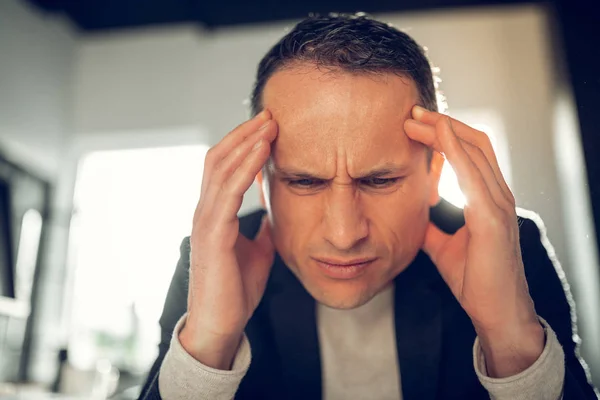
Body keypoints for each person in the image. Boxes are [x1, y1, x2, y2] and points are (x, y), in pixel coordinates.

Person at [138, 13, 598, 400]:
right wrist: (209, 344)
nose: (344, 235)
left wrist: (510, 339)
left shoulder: (508, 247)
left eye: (380, 180)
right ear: (261, 181)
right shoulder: (214, 256)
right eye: (303, 181)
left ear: (434, 173)